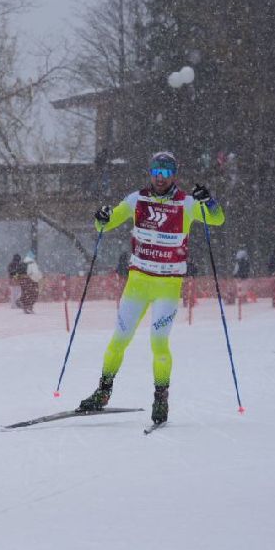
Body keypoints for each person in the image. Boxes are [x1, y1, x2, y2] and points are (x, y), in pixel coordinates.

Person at [75, 151, 225, 425]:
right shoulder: (137, 200)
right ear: (150, 173)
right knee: (119, 340)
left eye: (166, 173)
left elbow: (217, 219)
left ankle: (160, 398)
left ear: (174, 175)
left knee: (158, 342)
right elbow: (105, 224)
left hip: (167, 286)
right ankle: (103, 392)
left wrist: (209, 201)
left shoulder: (186, 204)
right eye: (156, 172)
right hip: (138, 284)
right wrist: (101, 216)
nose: (160, 178)